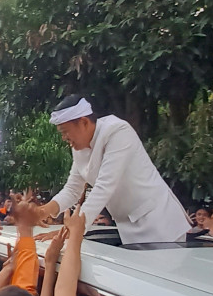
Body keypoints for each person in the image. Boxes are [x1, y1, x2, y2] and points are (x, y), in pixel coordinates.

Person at [35, 95, 189, 245]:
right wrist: (43, 211)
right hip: (128, 228)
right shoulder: (79, 147)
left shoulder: (117, 131)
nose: (64, 138)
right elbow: (73, 189)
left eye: (65, 131)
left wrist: (74, 229)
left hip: (160, 222)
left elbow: (104, 186)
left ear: (83, 122)